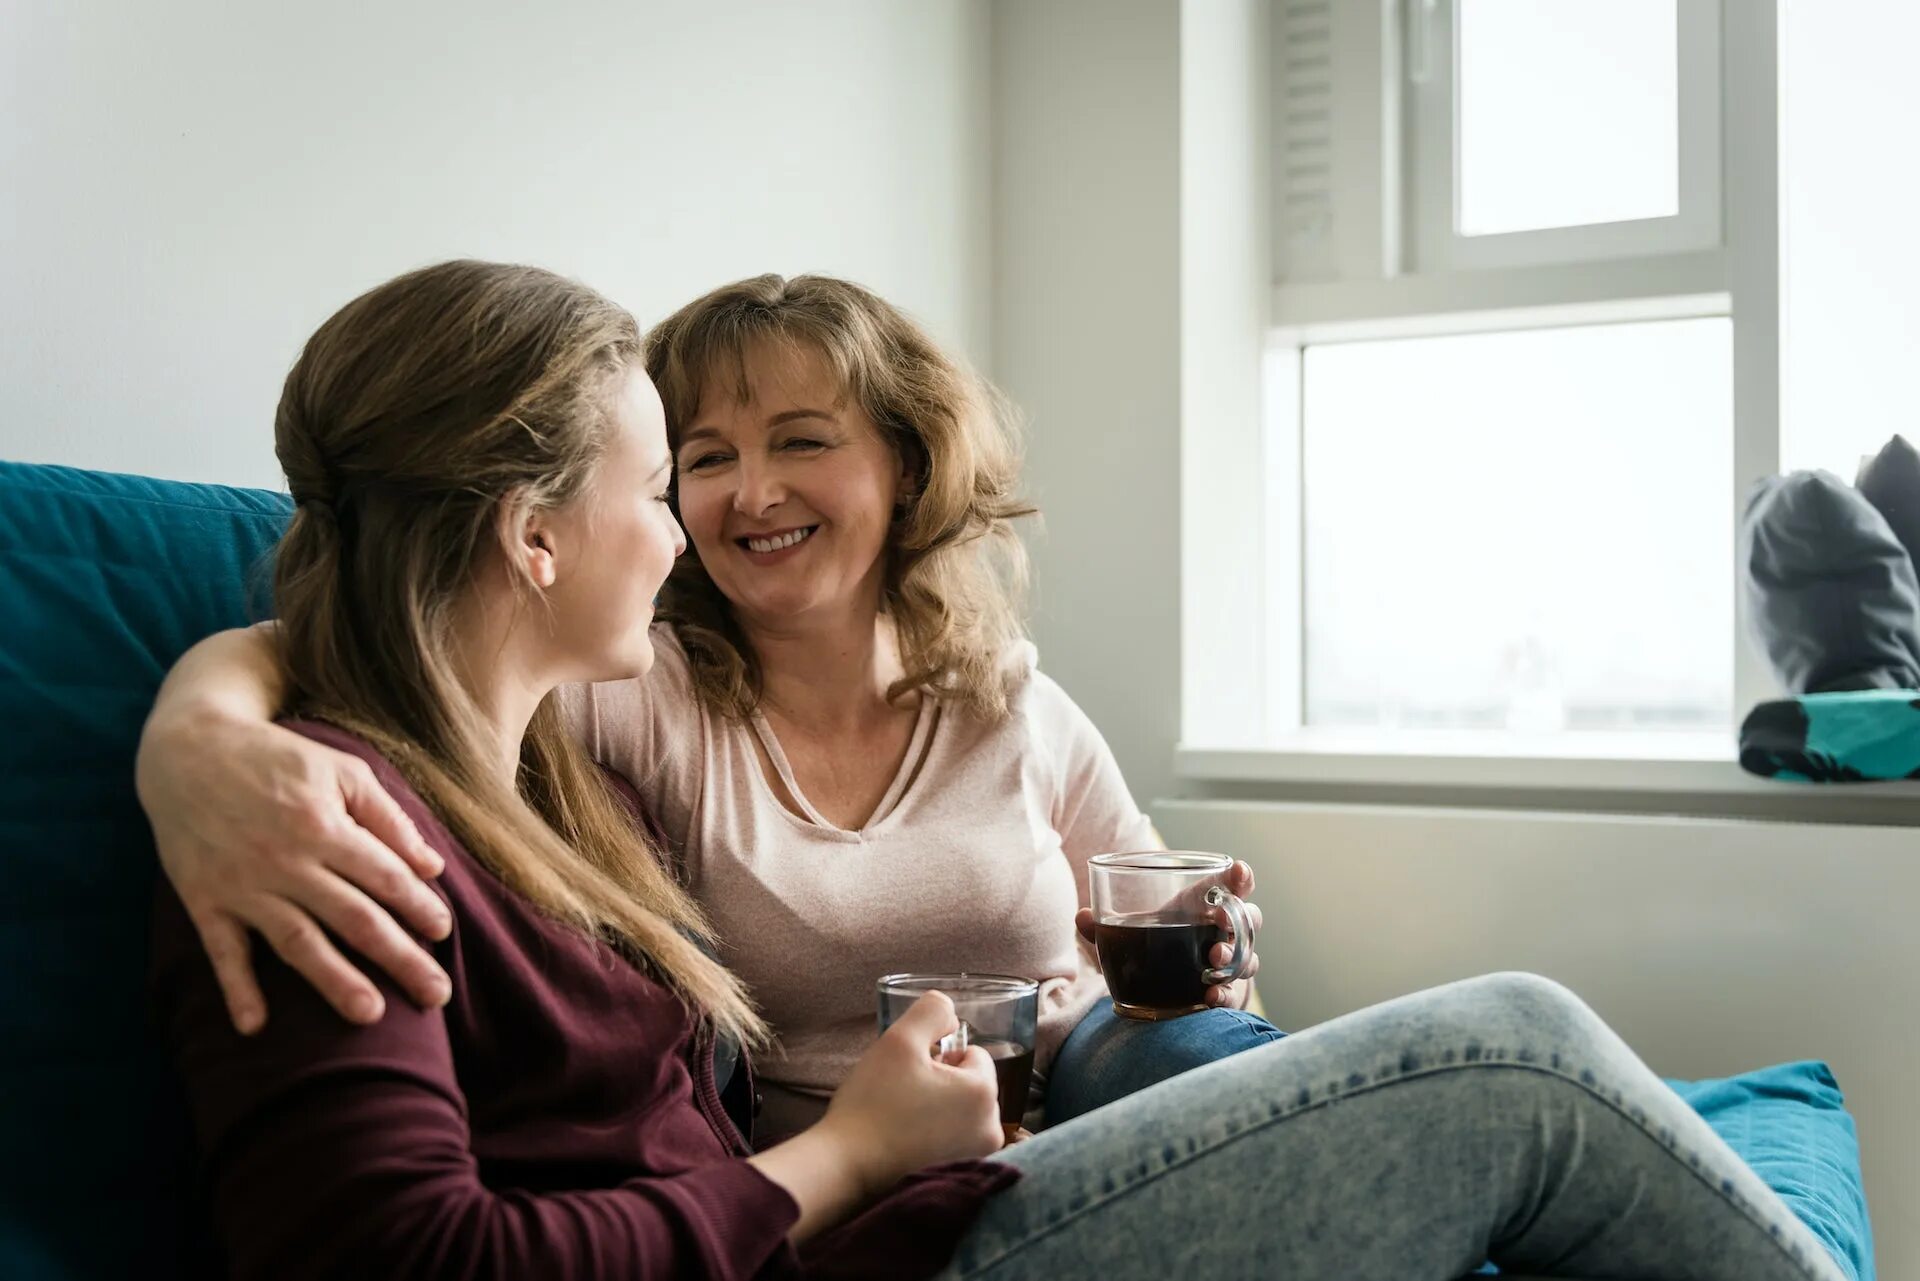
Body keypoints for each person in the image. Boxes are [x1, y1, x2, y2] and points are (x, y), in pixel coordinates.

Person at [152, 260, 1845, 1281]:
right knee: (1529, 1053)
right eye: (670, 478)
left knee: (1305, 1052)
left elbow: (373, 623)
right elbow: (396, 1261)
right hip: (882, 1215)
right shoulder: (352, 823)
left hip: (954, 1176)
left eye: (779, 448)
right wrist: (203, 744)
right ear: (533, 534)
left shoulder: (534, 793)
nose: (691, 524)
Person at [138, 273, 1280, 1134]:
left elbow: (1166, 936)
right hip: (845, 1178)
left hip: (1091, 1089)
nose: (752, 492)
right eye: (703, 457)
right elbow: (362, 647)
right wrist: (196, 739)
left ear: (906, 465)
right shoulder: (642, 689)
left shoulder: (1012, 700)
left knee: (1246, 1070)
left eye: (801, 441)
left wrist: (1218, 948)